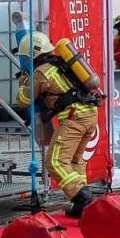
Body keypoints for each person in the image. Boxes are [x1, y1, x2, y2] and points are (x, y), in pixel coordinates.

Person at [16, 32, 101, 218]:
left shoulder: (41, 72)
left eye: (23, 57)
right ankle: (81, 208)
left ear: (31, 55)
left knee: (54, 161)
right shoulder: (61, 64)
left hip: (74, 119)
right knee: (74, 161)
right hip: (89, 115)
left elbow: (23, 99)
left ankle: (85, 199)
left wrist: (24, 81)